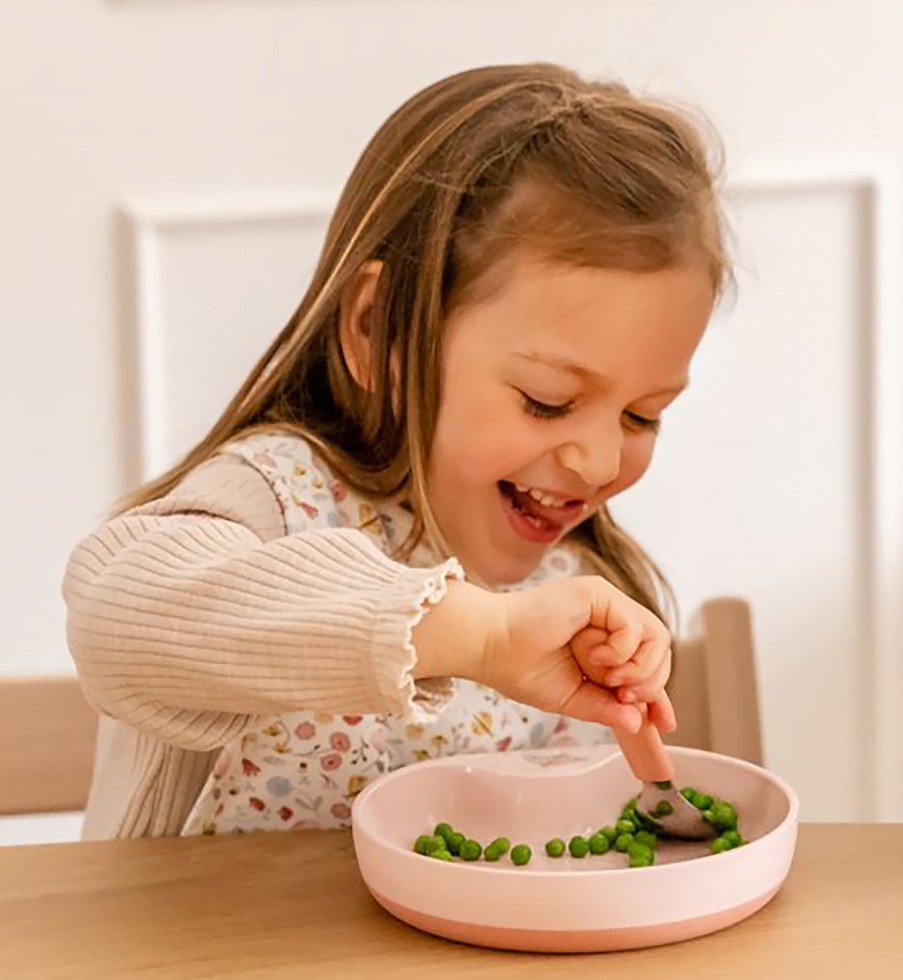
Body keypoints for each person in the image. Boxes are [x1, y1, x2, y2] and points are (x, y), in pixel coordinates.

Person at [63, 62, 728, 838]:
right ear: (378, 332)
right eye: (548, 401)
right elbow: (117, 613)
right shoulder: (276, 500)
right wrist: (477, 637)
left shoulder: (580, 593)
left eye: (643, 416)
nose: (599, 462)